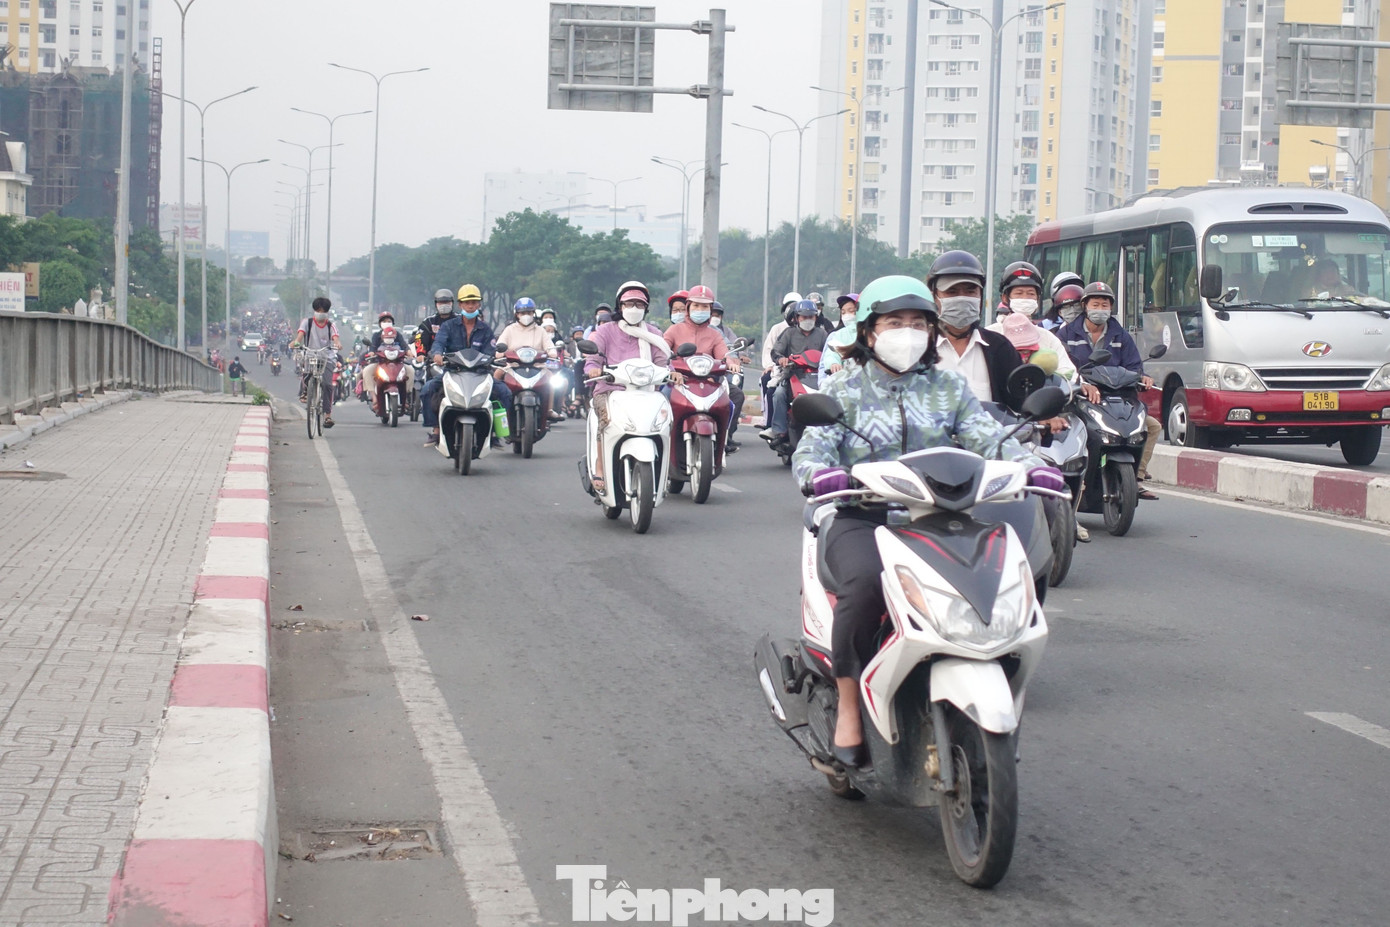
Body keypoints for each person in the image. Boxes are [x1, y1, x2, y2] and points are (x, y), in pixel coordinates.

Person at [791, 274, 1063, 768]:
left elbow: (990, 438)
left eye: (919, 322)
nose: (908, 332)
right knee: (865, 585)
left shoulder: (948, 387)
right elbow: (813, 448)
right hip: (866, 516)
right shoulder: (845, 389)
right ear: (869, 332)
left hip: (942, 517)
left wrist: (1034, 465)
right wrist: (821, 475)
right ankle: (850, 708)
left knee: (996, 578)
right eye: (895, 322)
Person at [1058, 281, 1161, 500]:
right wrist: (1080, 384)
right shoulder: (1067, 334)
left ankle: (1137, 478)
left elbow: (1134, 366)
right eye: (1096, 304)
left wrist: (1142, 377)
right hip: (1079, 400)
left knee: (1151, 427)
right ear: (1085, 305)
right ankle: (1077, 480)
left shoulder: (1120, 335)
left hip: (1116, 400)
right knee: (1078, 432)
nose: (1100, 309)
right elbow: (1061, 368)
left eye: (1105, 305)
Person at [583, 282, 671, 493]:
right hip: (610, 390)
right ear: (619, 306)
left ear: (646, 308)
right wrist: (594, 369)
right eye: (629, 303)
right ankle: (600, 466)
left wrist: (672, 372)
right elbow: (592, 358)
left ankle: (663, 473)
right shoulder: (605, 331)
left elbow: (663, 361)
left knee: (666, 419)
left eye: (639, 304)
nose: (634, 308)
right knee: (605, 420)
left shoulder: (654, 333)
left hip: (646, 393)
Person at [927, 250, 1025, 405]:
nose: (962, 298)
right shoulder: (919, 347)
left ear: (980, 295)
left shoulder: (1000, 348)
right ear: (934, 296)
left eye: (970, 291)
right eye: (951, 292)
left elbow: (1022, 401)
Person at [422, 284, 502, 448]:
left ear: (479, 305)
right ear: (460, 305)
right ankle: (436, 430)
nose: (471, 305)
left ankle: (496, 433)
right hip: (453, 372)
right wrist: (436, 354)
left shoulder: (486, 329)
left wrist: (492, 357)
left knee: (504, 393)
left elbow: (491, 349)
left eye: (474, 302)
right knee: (427, 389)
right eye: (467, 302)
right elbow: (439, 343)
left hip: (480, 373)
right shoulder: (448, 326)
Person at [987, 261, 1077, 383]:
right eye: (1019, 293)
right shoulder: (990, 336)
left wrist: (1083, 384)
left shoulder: (1047, 338)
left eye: (1030, 294)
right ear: (1005, 298)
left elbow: (1067, 372)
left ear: (1037, 299)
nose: (1025, 298)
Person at [761, 300, 829, 444]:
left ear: (816, 317)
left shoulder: (822, 334)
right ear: (797, 318)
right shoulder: (789, 333)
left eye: (811, 316)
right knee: (778, 394)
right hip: (793, 375)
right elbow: (776, 351)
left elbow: (830, 353)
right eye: (804, 317)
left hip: (817, 376)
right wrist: (781, 359)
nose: (807, 320)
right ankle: (778, 431)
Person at [494, 297, 560, 434]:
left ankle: (548, 409)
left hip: (537, 366)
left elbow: (549, 347)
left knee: (550, 377)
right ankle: (496, 409)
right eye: (522, 313)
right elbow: (499, 348)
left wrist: (552, 352)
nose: (526, 316)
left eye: (529, 312)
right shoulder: (510, 330)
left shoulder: (540, 331)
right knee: (496, 375)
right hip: (512, 366)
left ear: (534, 314)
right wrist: (500, 353)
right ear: (516, 314)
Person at [289, 297, 343, 427]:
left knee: (327, 385)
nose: (321, 313)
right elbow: (300, 336)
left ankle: (327, 416)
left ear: (327, 312)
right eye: (318, 310)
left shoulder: (331, 325)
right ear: (314, 310)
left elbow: (335, 338)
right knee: (306, 373)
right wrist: (295, 342)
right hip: (310, 354)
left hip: (327, 357)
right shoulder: (307, 323)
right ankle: (305, 391)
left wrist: (337, 343)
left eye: (323, 311)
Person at [361, 312, 415, 415]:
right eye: (384, 321)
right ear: (380, 323)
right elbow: (373, 347)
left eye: (389, 321)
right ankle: (374, 397)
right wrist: (372, 352)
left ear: (393, 323)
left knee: (411, 371)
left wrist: (408, 351)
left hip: (398, 364)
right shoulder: (376, 335)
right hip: (380, 364)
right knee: (367, 371)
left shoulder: (397, 334)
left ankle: (406, 397)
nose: (387, 323)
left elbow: (404, 345)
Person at [761, 291, 802, 428]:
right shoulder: (782, 330)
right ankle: (772, 425)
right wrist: (774, 363)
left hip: (808, 373)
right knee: (773, 389)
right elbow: (771, 350)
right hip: (784, 370)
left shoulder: (819, 333)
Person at [819, 293, 860, 379]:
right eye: (843, 312)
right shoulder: (838, 335)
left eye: (851, 311)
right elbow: (831, 353)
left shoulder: (870, 334)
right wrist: (833, 363)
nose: (847, 315)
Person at [418, 287, 462, 357]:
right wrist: (421, 354)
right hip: (434, 360)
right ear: (436, 304)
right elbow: (420, 339)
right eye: (441, 303)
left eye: (447, 302)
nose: (444, 305)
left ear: (452, 303)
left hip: (459, 359)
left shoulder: (460, 320)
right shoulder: (428, 322)